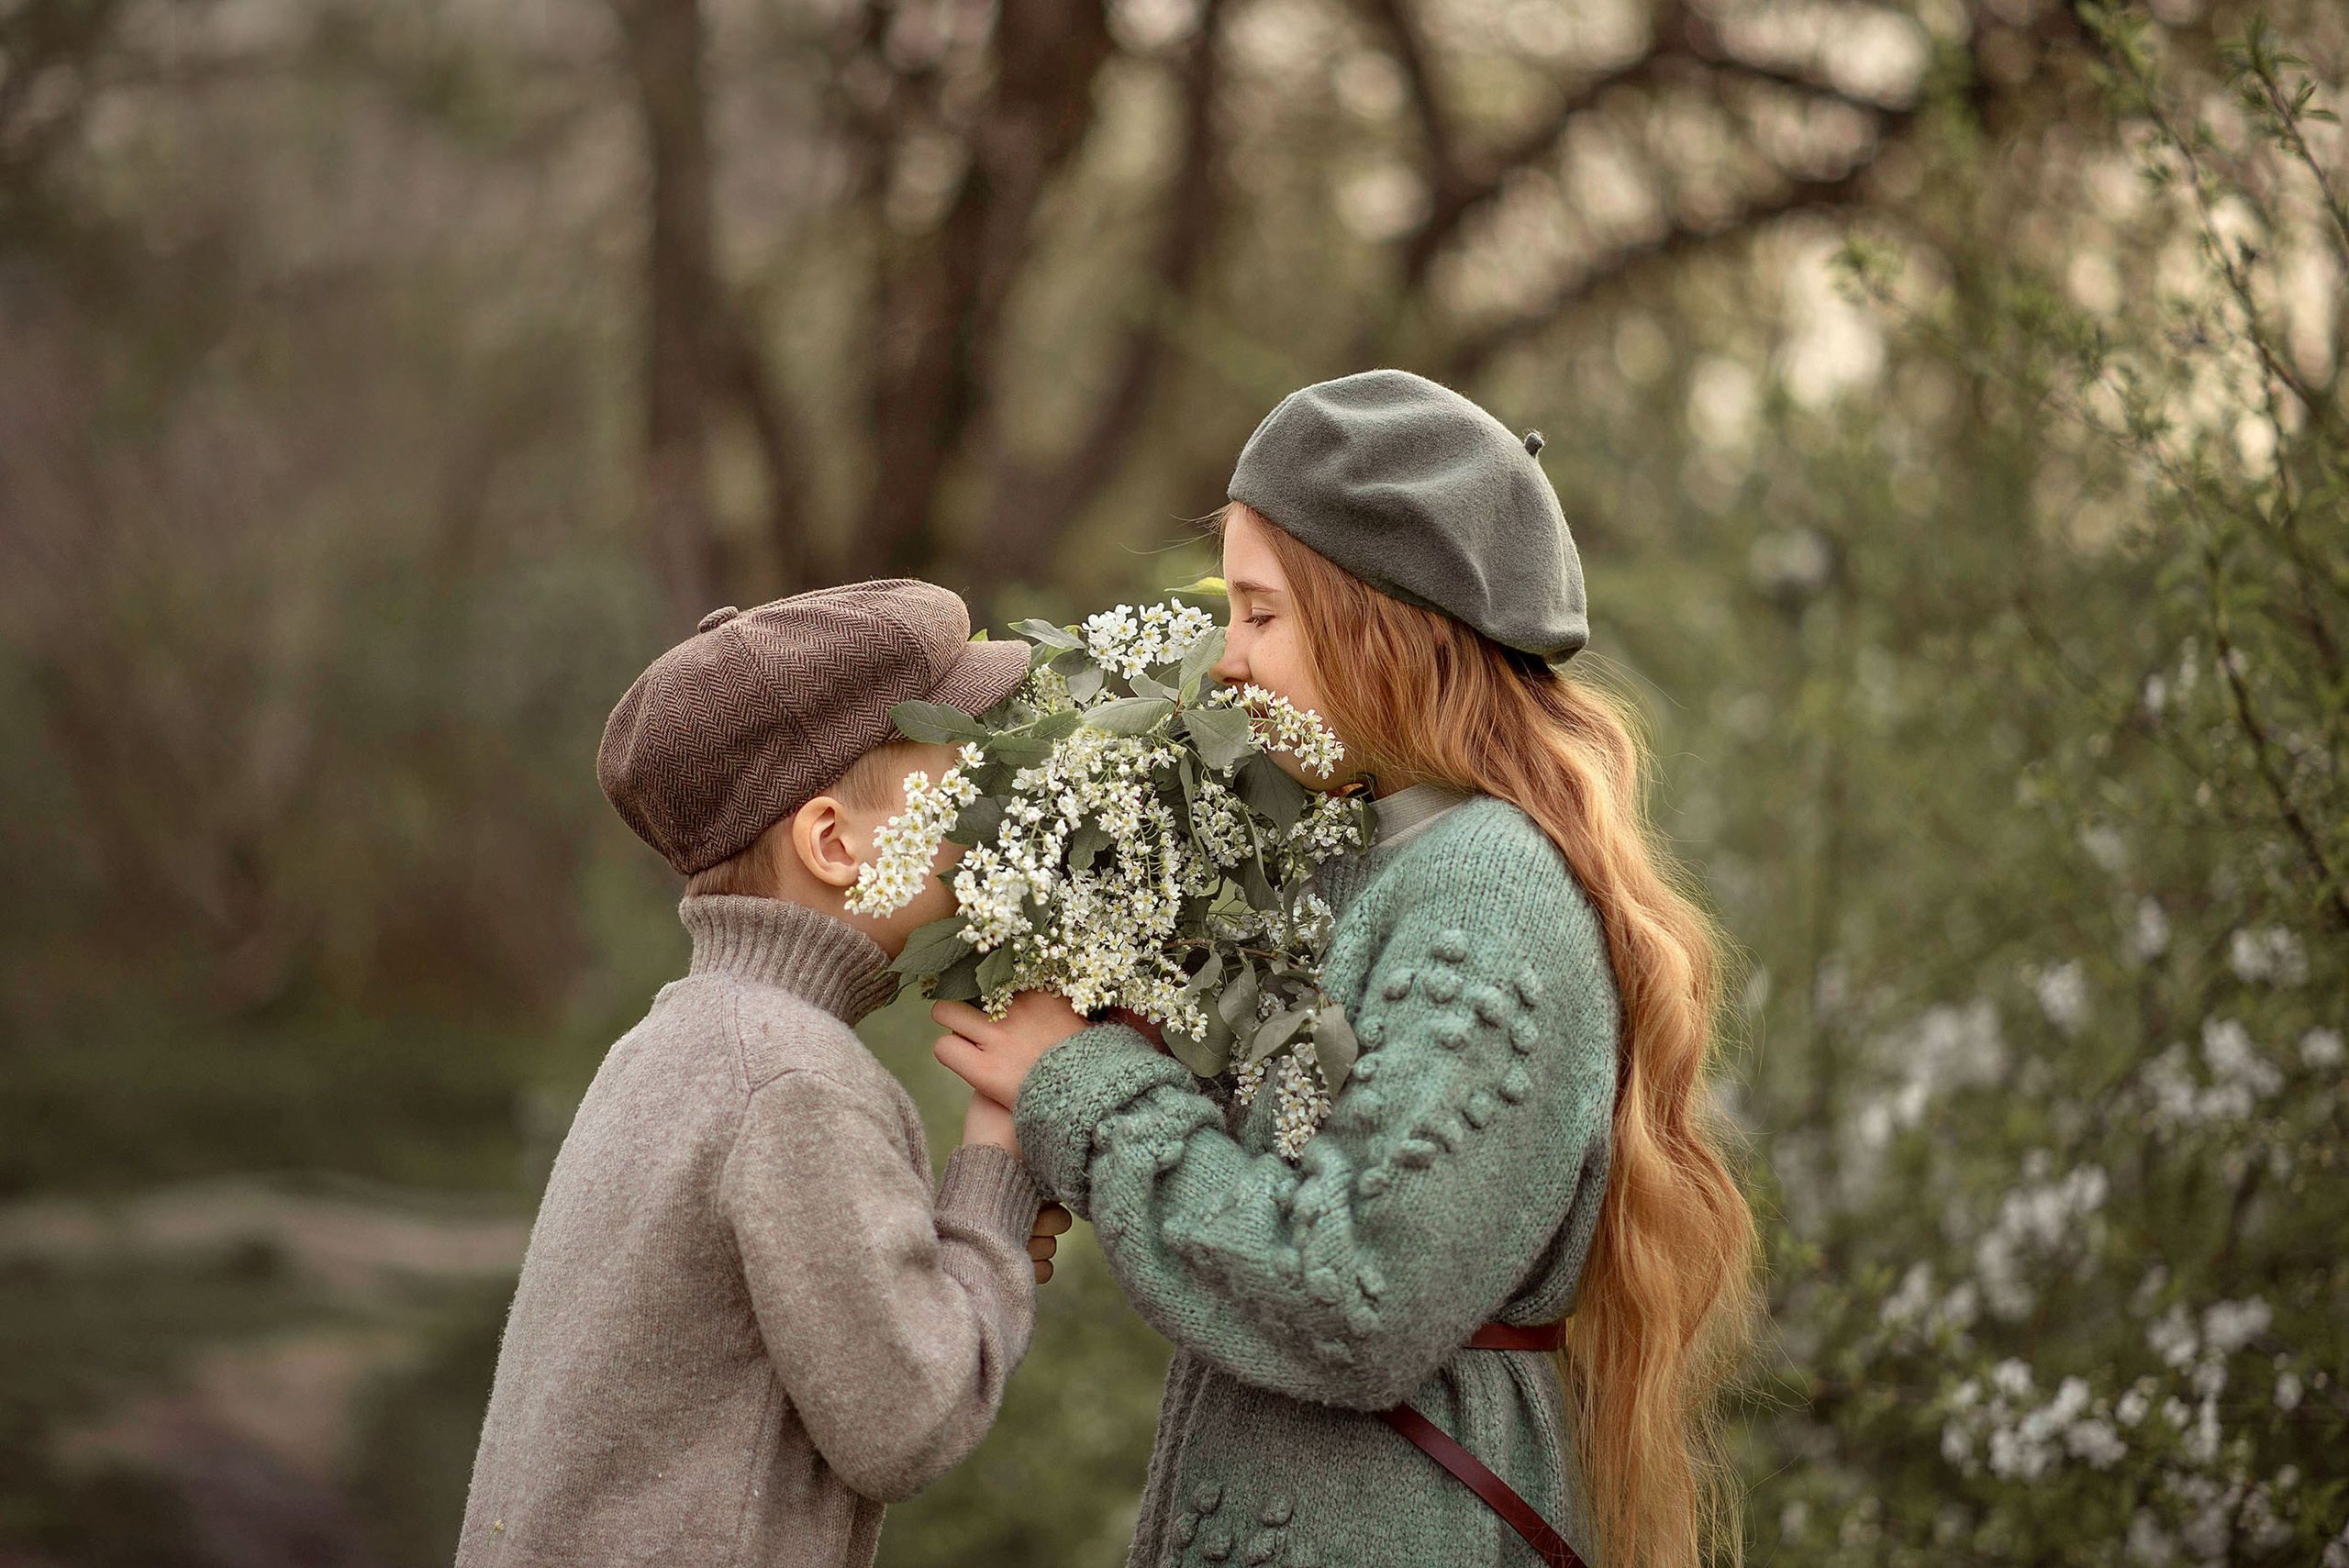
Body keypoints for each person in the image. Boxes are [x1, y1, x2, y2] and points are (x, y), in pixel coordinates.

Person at [933, 372, 1759, 1568]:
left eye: (1261, 615)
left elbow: (1356, 1292)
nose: (1227, 663)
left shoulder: (1488, 892)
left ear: (1383, 622)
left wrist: (1085, 1088)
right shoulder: (1370, 861)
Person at [458, 580, 1066, 1568]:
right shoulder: (794, 1080)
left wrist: (961, 1260)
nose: (989, 821)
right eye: (959, 785)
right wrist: (996, 1157)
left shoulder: (674, 1044)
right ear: (834, 844)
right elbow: (905, 1417)